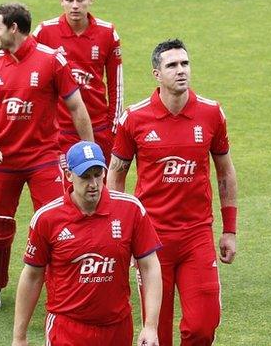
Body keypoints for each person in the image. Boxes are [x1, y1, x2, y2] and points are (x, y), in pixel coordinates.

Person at [107, 39, 238, 346]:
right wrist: (121, 231)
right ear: (156, 73)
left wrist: (229, 229)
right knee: (157, 333)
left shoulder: (211, 113)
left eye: (185, 64)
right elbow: (116, 174)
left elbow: (225, 172)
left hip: (197, 236)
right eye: (172, 65)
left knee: (203, 327)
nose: (181, 71)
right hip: (151, 239)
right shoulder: (134, 118)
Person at [0, 2, 94, 309]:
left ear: (13, 28)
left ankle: (62, 285)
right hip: (3, 160)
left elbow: (77, 108)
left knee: (58, 220)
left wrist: (91, 156)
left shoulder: (52, 61)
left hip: (44, 159)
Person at [12, 141, 162, 346]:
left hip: (117, 329)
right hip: (67, 329)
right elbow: (32, 276)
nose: (93, 183)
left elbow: (150, 266)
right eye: (85, 176)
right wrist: (19, 337)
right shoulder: (47, 218)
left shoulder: (130, 209)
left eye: (97, 174)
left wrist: (151, 326)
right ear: (68, 175)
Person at [33, 0, 123, 164]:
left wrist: (113, 128)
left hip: (99, 128)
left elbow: (116, 84)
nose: (75, 6)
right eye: (69, 0)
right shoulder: (44, 32)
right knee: (62, 188)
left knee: (98, 187)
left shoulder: (108, 33)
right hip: (59, 131)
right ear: (61, 0)